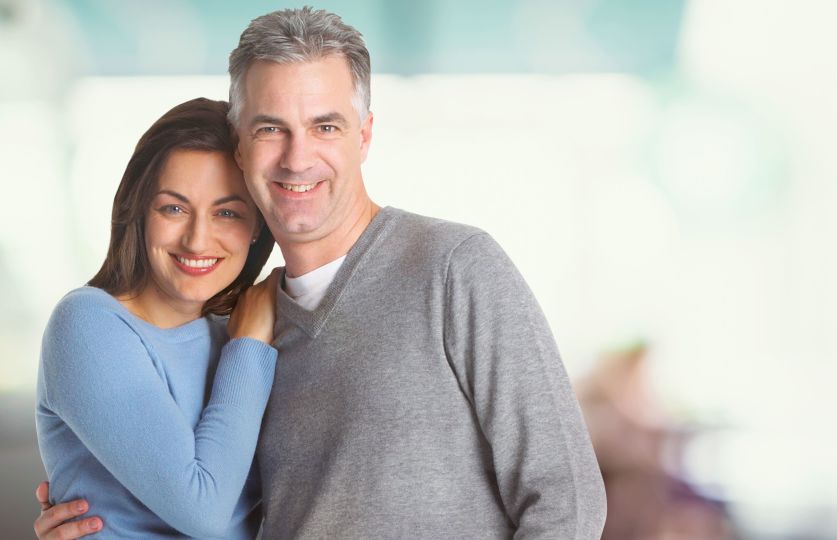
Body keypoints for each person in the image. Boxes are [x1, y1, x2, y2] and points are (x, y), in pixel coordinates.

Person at [37, 7, 607, 538]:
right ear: (240, 146)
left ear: (364, 136)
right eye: (270, 128)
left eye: (325, 126)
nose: (296, 157)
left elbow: (567, 498)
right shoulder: (245, 335)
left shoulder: (455, 269)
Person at [33, 97, 281, 538]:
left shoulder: (241, 332)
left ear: (258, 224)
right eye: (174, 208)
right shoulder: (88, 323)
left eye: (227, 212)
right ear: (139, 210)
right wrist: (249, 348)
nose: (197, 238)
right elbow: (202, 512)